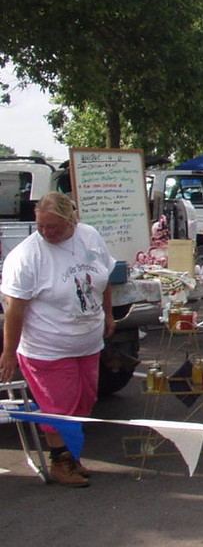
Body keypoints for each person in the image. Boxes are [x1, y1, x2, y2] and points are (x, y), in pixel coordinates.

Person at [0, 192, 116, 486]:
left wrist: (109, 314)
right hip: (47, 347)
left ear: (71, 220)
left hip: (87, 342)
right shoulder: (27, 256)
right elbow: (14, 309)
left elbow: (103, 279)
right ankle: (59, 462)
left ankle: (72, 456)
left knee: (84, 402)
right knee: (58, 408)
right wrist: (8, 352)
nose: (46, 232)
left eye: (53, 226)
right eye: (41, 225)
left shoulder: (89, 236)